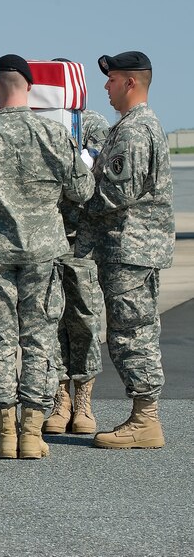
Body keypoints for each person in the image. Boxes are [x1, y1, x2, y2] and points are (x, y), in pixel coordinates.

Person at [0, 55, 94, 459]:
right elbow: (82, 193)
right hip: (44, 253)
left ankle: (5, 434)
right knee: (39, 341)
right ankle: (32, 432)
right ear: (30, 86)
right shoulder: (53, 134)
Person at [76, 51, 174, 449]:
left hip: (129, 249)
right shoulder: (132, 126)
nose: (106, 87)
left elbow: (114, 193)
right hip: (131, 249)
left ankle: (146, 421)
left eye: (111, 79)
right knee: (132, 332)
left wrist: (76, 188)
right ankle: (143, 416)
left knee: (132, 334)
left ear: (130, 83)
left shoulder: (134, 131)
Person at [44, 98, 110, 436]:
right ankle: (60, 400)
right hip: (47, 236)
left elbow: (102, 179)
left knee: (84, 318)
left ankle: (83, 400)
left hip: (82, 238)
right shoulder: (40, 125)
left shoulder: (94, 124)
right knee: (51, 318)